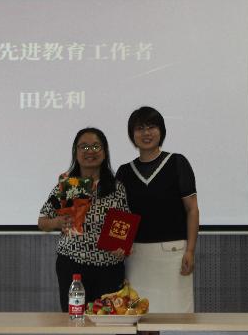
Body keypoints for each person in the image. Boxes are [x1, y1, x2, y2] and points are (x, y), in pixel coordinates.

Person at [116, 106, 199, 313]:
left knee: (176, 318)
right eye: (140, 128)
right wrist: (118, 247)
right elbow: (120, 218)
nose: (146, 133)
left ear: (161, 131)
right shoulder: (124, 172)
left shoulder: (177, 162)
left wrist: (190, 250)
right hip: (136, 257)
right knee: (138, 316)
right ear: (132, 134)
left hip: (173, 255)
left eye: (152, 127)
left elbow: (192, 210)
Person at [38, 127, 129, 312]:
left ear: (105, 151)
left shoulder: (116, 187)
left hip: (109, 268)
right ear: (76, 152)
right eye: (84, 147)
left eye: (96, 146)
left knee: (108, 322)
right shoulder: (67, 185)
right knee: (75, 319)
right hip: (72, 267)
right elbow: (42, 221)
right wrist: (57, 222)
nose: (90, 152)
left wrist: (122, 248)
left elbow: (123, 227)